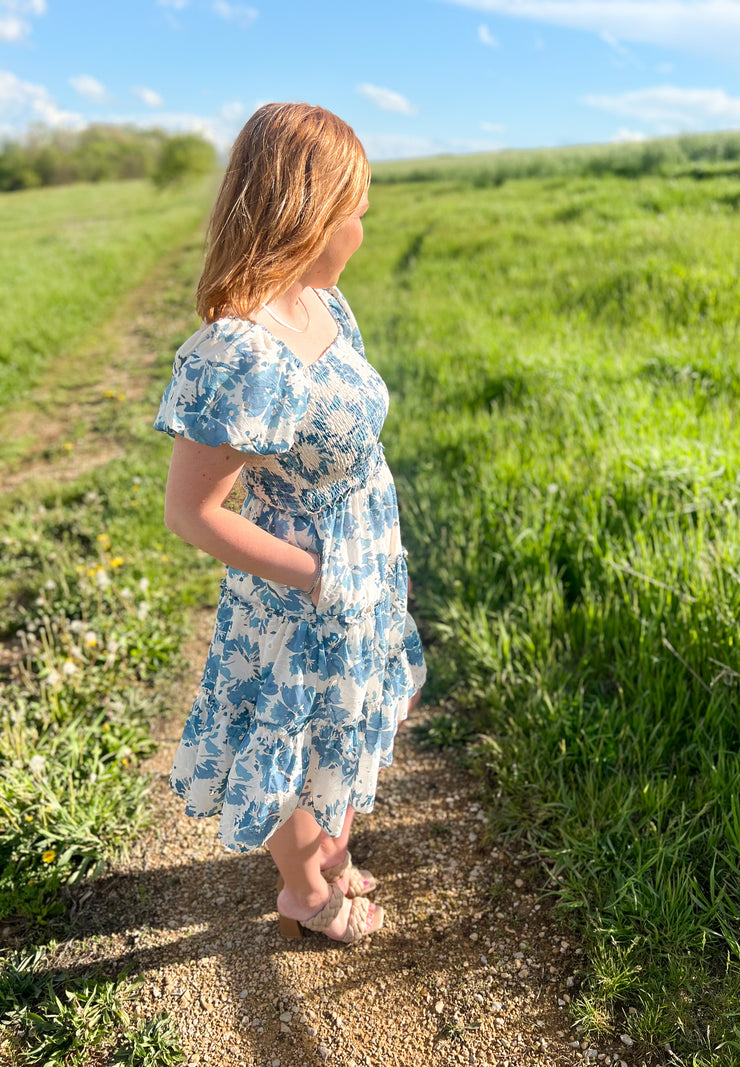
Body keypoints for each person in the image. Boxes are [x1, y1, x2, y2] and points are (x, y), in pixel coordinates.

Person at [153, 103, 425, 945]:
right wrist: (317, 576)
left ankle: (330, 855)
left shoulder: (324, 304)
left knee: (349, 718)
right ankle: (305, 891)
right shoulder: (244, 353)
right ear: (310, 214)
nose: (361, 231)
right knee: (298, 746)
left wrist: (365, 563)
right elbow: (191, 514)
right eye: (357, 212)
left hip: (359, 561)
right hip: (299, 592)